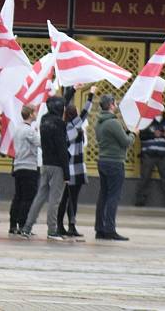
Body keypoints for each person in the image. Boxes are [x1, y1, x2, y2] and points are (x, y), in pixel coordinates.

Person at [20, 95, 69, 241]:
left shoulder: (44, 120)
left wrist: (72, 91)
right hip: (58, 166)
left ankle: (27, 228)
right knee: (54, 200)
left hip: (45, 164)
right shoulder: (59, 124)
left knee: (39, 197)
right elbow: (62, 149)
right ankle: (52, 230)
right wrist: (67, 173)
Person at [94, 94, 135, 241]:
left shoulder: (99, 122)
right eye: (115, 103)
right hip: (115, 162)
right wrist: (133, 134)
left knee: (103, 195)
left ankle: (100, 229)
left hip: (103, 160)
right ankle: (110, 229)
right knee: (113, 197)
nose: (116, 105)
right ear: (111, 105)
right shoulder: (113, 123)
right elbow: (125, 142)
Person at [57, 86, 96, 238]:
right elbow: (86, 112)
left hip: (70, 167)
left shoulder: (64, 127)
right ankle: (69, 225)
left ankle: (63, 225)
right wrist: (91, 95)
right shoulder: (75, 126)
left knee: (66, 199)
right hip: (76, 168)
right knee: (71, 199)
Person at [134, 115, 165, 208]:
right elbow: (142, 136)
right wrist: (153, 134)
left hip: (163, 154)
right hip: (149, 154)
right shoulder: (146, 121)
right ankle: (140, 200)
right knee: (145, 178)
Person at [9, 104, 40, 236]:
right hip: (29, 166)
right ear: (31, 114)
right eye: (35, 112)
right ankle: (23, 224)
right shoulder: (29, 131)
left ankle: (13, 224)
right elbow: (39, 143)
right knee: (28, 197)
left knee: (18, 196)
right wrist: (38, 131)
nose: (37, 114)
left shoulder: (17, 128)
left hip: (18, 165)